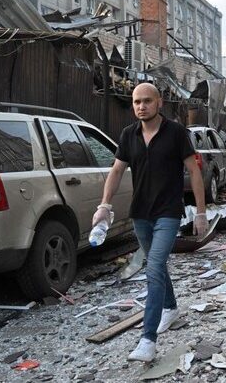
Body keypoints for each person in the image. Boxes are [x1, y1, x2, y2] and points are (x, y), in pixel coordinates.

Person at [92, 83, 208, 362]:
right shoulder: (128, 135)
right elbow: (117, 170)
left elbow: (193, 170)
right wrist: (104, 205)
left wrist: (201, 212)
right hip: (140, 213)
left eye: (146, 101)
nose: (141, 106)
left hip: (168, 212)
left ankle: (148, 340)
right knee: (156, 266)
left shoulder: (177, 133)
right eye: (136, 102)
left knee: (154, 267)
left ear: (159, 103)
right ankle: (170, 307)